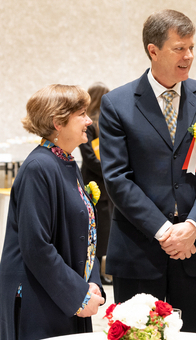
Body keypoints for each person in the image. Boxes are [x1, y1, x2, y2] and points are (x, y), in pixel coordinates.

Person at [99, 9, 196, 334]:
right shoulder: (117, 104)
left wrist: (192, 226)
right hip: (138, 248)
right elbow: (117, 178)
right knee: (139, 334)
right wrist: (164, 231)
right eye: (179, 48)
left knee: (193, 333)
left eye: (191, 47)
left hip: (194, 248)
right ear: (153, 50)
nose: (189, 56)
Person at [0, 84, 106, 340]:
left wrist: (91, 283)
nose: (88, 121)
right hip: (38, 299)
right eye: (81, 114)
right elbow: (37, 247)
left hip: (60, 291)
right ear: (58, 122)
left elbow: (86, 235)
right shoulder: (39, 167)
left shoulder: (64, 161)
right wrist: (79, 295)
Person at [79, 82, 113, 285]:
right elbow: (90, 158)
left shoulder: (105, 122)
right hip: (94, 180)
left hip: (105, 181)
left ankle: (99, 273)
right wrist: (110, 171)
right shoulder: (89, 125)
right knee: (95, 227)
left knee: (105, 227)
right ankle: (93, 274)